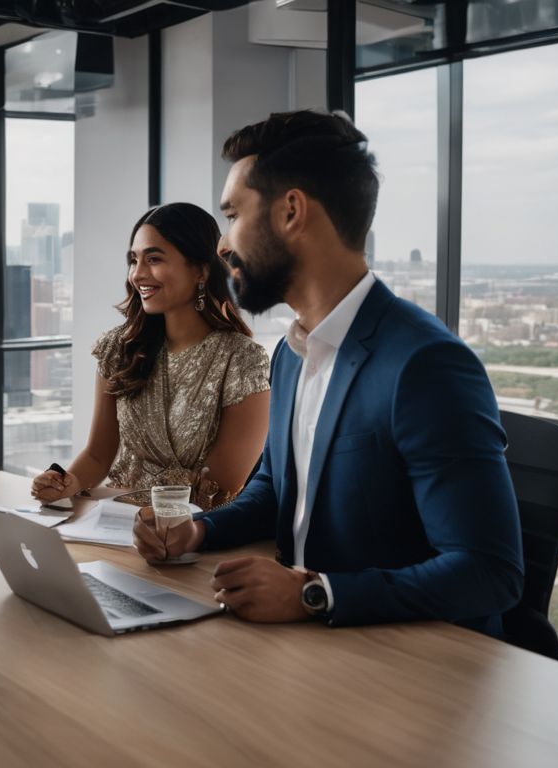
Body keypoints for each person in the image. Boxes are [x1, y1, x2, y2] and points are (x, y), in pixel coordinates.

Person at [134, 110, 524, 635]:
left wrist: (315, 593)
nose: (223, 244)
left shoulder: (425, 365)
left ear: (291, 211)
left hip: (407, 663)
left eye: (233, 215)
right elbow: (273, 490)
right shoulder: (292, 353)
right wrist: (196, 532)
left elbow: (488, 572)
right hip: (304, 640)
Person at [31, 203, 270, 510]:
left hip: (199, 534)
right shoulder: (118, 348)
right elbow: (97, 455)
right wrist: (65, 483)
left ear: (200, 270)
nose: (138, 274)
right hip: (114, 523)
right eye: (134, 260)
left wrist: (157, 521)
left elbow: (220, 489)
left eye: (154, 259)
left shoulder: (242, 360)